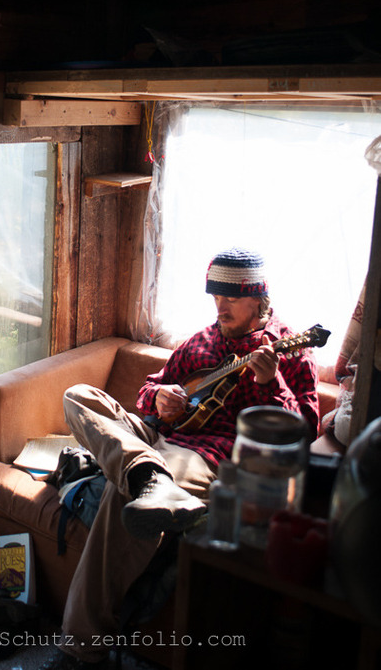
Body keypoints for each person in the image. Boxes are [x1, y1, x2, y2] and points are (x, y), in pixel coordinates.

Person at [41, 248, 320, 670]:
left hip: (204, 455)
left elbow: (304, 430)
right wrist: (160, 396)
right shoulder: (201, 341)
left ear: (258, 299)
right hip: (157, 435)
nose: (219, 305)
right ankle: (147, 475)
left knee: (128, 498)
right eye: (215, 295)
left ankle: (81, 650)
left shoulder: (290, 350)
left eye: (230, 297)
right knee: (78, 397)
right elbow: (149, 390)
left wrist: (271, 381)